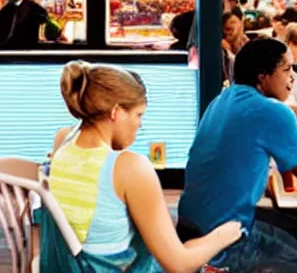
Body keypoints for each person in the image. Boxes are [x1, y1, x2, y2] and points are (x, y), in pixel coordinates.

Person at [44, 62, 243, 272]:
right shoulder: (129, 167)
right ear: (116, 112)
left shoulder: (64, 140)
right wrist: (226, 234)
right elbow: (178, 264)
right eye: (139, 115)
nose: (140, 124)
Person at [177, 38, 297, 272]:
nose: (293, 78)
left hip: (190, 226)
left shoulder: (221, 101)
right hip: (225, 238)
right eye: (287, 70)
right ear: (262, 77)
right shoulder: (271, 112)